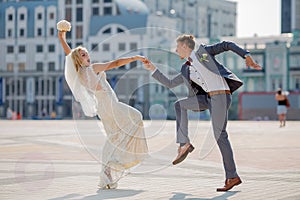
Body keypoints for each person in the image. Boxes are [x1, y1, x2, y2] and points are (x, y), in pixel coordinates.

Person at [144, 34, 262, 192]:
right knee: (180, 105)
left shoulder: (203, 52)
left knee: (220, 135)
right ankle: (184, 144)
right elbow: (171, 83)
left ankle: (232, 176)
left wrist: (245, 55)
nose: (176, 50)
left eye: (177, 47)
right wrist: (153, 69)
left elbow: (227, 44)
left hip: (220, 95)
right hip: (206, 99)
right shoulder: (186, 68)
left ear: (185, 46)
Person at [58, 21, 148, 189]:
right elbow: (115, 63)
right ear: (79, 59)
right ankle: (117, 160)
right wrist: (134, 58)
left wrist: (61, 37)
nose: (87, 56)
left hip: (103, 108)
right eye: (83, 55)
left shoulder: (78, 74)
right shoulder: (93, 69)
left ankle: (107, 171)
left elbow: (68, 54)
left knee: (114, 136)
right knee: (135, 118)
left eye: (86, 53)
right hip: (109, 104)